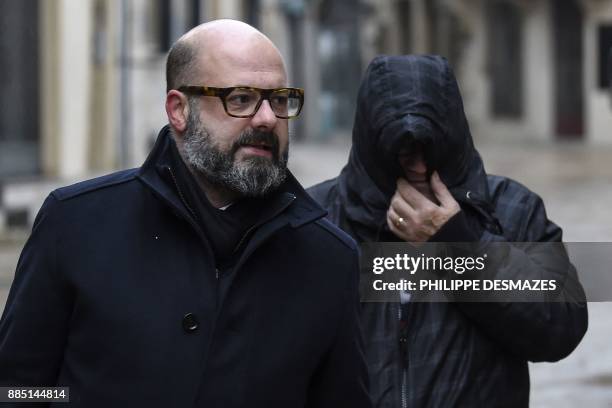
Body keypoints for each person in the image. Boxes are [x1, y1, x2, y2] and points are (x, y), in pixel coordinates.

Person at [0, 20, 371, 408]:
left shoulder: (329, 258)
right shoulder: (75, 223)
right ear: (179, 110)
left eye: (279, 99)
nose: (267, 119)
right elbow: (17, 387)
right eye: (241, 98)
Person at [308, 55, 588, 407]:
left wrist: (458, 242)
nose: (421, 168)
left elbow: (561, 329)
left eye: (432, 150)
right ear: (373, 145)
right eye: (404, 153)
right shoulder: (318, 220)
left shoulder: (511, 209)